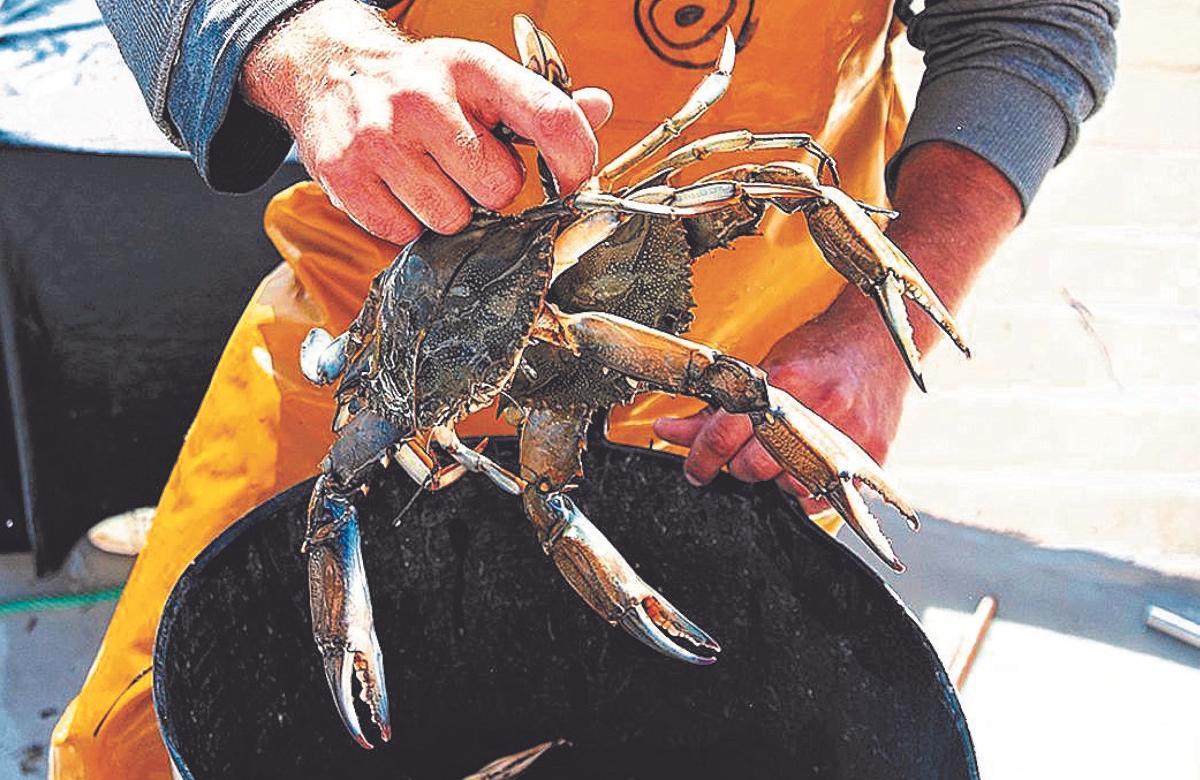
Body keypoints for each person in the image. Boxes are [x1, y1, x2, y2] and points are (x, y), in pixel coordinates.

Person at [50, 0, 1117, 776]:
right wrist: (301, 50)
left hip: (723, 345)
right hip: (373, 346)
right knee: (141, 746)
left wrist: (893, 317)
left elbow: (1031, 16)